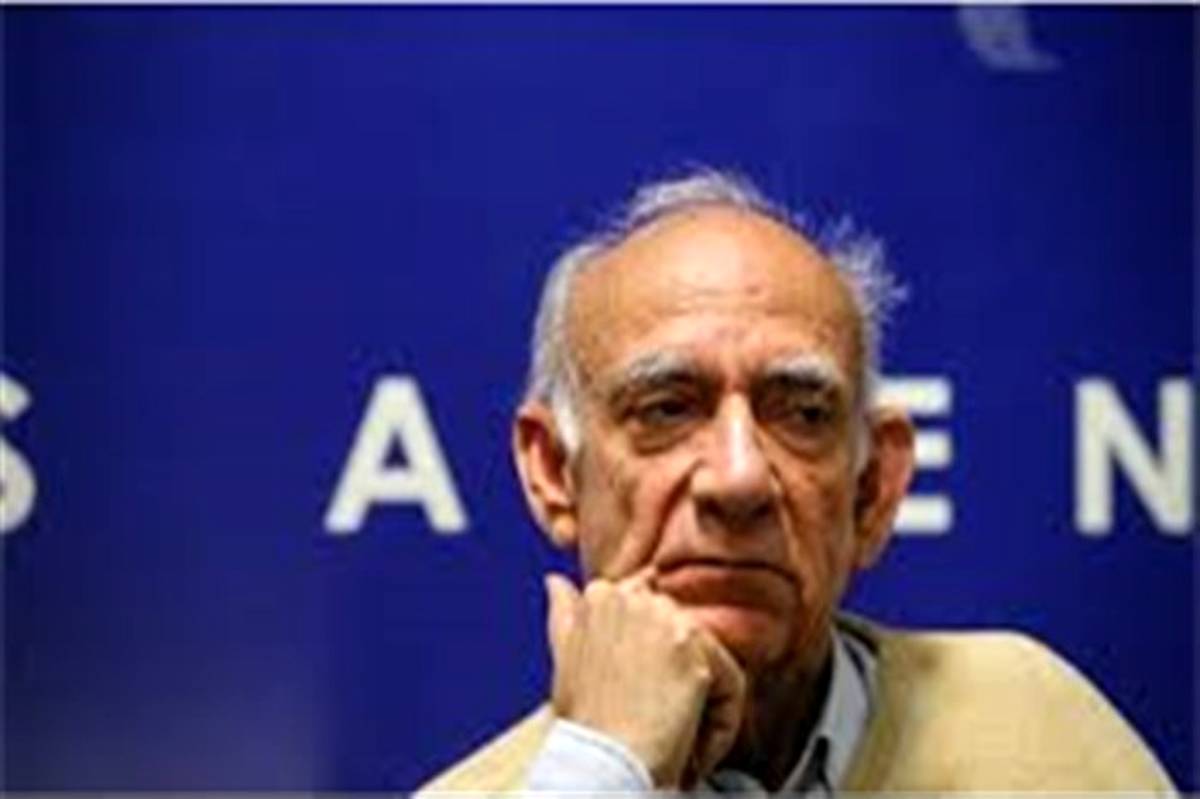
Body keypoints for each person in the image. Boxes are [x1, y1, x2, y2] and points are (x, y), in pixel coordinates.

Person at [418, 169, 1176, 794]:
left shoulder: (1036, 723)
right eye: (667, 408)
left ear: (872, 489)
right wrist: (602, 770)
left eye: (803, 414)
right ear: (555, 473)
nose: (739, 477)